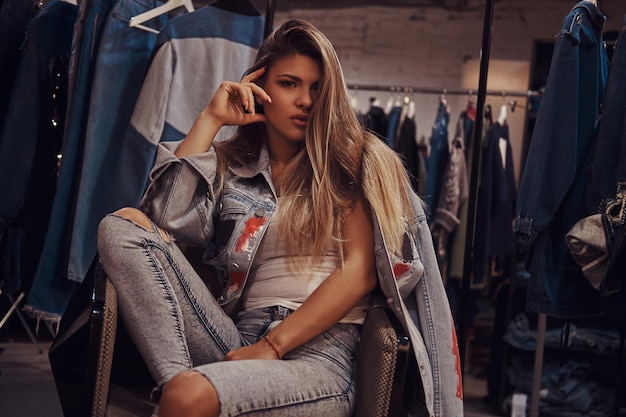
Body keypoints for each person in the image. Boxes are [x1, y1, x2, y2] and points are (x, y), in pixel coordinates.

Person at [97, 19, 463, 417]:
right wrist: (210, 120)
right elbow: (163, 223)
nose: (305, 100)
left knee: (190, 396)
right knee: (122, 226)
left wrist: (273, 346)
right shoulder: (234, 167)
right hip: (237, 335)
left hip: (321, 355)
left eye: (317, 88)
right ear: (260, 86)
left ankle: (187, 394)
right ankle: (181, 388)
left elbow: (360, 270)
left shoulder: (357, 159)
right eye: (289, 83)